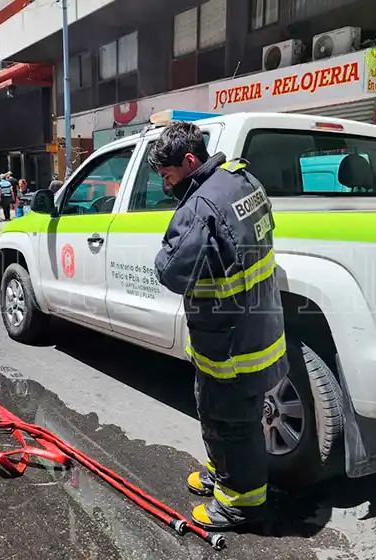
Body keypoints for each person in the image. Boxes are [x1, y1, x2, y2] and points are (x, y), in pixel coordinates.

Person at [151, 121, 288, 532]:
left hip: (230, 342)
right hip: (255, 323)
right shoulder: (242, 180)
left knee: (233, 419)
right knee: (215, 409)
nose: (166, 185)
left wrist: (162, 256)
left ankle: (240, 504)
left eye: (168, 175)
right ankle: (221, 474)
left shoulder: (200, 207)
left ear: (189, 160)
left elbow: (172, 270)